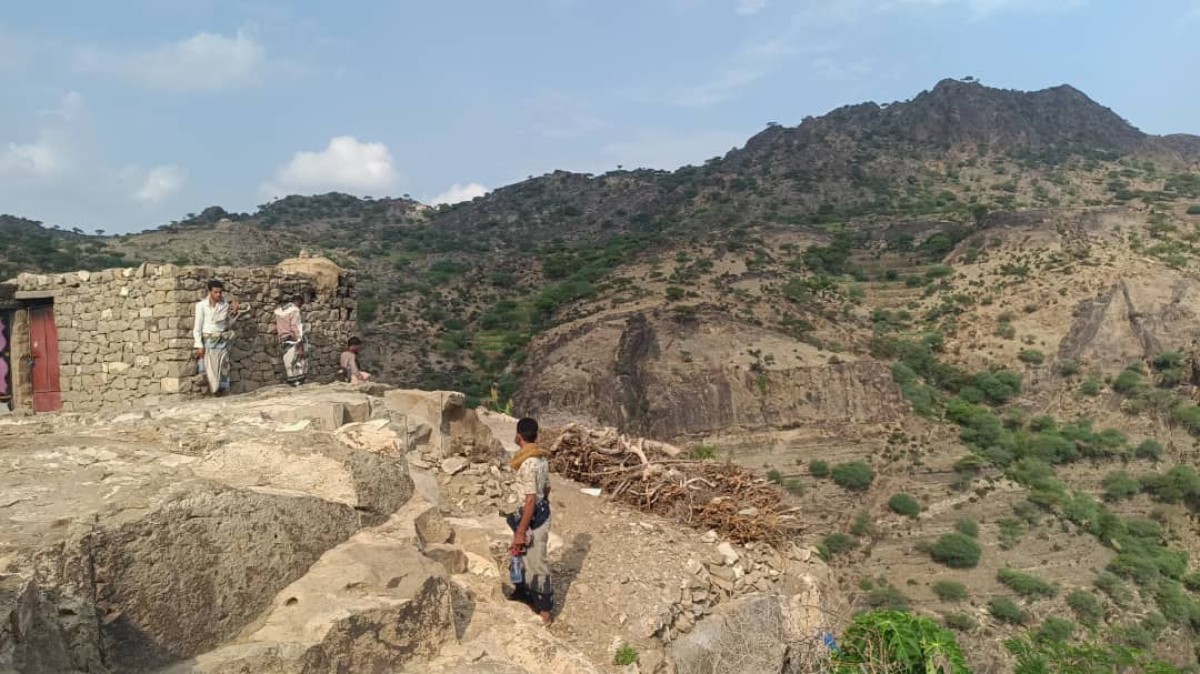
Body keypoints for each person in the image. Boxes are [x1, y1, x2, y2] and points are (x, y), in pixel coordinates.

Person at [506, 417, 553, 626]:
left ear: (518, 436)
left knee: (536, 562)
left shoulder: (528, 463)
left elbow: (531, 499)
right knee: (523, 558)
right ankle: (524, 595)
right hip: (537, 513)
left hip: (532, 516)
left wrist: (521, 531)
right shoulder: (541, 458)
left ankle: (545, 611)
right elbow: (547, 488)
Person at [193, 280, 240, 395]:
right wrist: (199, 345)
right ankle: (214, 391)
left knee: (224, 366)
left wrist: (234, 312)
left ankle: (223, 390)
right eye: (215, 292)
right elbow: (197, 327)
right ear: (209, 292)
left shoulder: (224, 305)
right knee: (210, 369)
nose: (218, 294)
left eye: (220, 292)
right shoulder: (201, 306)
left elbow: (227, 325)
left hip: (222, 340)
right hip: (209, 341)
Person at [274, 295, 307, 386]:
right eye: (301, 304)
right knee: (297, 360)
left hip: (283, 338)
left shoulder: (279, 310)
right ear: (299, 302)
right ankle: (297, 382)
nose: (300, 307)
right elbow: (294, 325)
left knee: (288, 360)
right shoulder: (294, 310)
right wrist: (299, 339)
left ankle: (291, 380)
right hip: (292, 338)